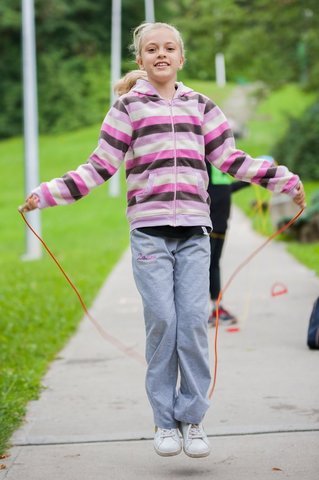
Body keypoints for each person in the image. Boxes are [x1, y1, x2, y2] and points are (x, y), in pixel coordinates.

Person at [21, 22, 306, 459]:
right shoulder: (127, 108)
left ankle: (192, 420)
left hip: (194, 231)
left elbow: (231, 159)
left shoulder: (202, 106)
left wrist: (283, 179)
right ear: (140, 60)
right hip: (149, 233)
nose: (160, 54)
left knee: (192, 322)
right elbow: (98, 166)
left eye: (169, 48)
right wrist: (46, 194)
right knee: (163, 323)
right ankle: (164, 423)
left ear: (181, 57)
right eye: (151, 49)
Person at [206, 161, 250, 326]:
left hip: (221, 223)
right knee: (204, 266)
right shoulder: (203, 158)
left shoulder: (220, 160)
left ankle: (217, 307)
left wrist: (248, 182)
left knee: (214, 265)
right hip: (208, 223)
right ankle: (204, 309)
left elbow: (225, 189)